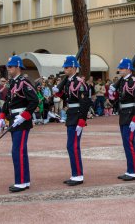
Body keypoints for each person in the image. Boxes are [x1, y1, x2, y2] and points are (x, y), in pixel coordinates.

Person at [0, 56, 39, 192]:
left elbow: (34, 101)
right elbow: (8, 101)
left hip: (21, 120)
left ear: (17, 67)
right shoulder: (12, 82)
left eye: (10, 66)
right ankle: (24, 180)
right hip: (14, 118)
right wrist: (2, 116)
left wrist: (24, 116)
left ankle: (20, 182)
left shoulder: (24, 82)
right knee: (21, 151)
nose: (8, 69)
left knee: (17, 151)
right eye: (8, 67)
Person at [52, 56, 90, 186]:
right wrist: (58, 93)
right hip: (71, 115)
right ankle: (75, 174)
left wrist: (82, 120)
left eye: (67, 67)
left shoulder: (80, 82)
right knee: (70, 146)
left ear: (74, 68)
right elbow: (68, 98)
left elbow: (85, 102)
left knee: (73, 146)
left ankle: (78, 175)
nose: (65, 69)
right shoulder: (68, 82)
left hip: (77, 116)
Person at [109, 58, 135, 181]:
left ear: (128, 69)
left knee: (129, 143)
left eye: (122, 68)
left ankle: (134, 171)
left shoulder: (134, 83)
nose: (119, 70)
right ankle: (130, 169)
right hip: (123, 114)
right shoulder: (122, 82)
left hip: (131, 116)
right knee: (126, 143)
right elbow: (117, 99)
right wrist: (112, 94)